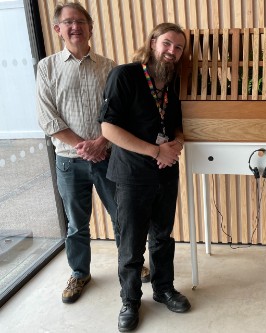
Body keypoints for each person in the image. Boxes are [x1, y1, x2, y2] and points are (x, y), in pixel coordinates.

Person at [36, 2, 150, 305]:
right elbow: (48, 118)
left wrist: (100, 142)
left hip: (110, 157)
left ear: (90, 28)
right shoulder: (46, 67)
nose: (75, 27)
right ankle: (79, 272)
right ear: (58, 29)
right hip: (68, 162)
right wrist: (82, 147)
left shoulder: (109, 66)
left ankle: (132, 264)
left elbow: (121, 113)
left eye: (81, 21)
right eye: (68, 22)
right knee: (76, 223)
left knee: (121, 217)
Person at [100, 22, 190, 331]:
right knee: (131, 243)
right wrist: (156, 151)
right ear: (152, 42)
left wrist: (176, 144)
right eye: (167, 43)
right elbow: (108, 128)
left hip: (166, 173)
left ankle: (164, 289)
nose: (172, 52)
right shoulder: (125, 75)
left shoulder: (173, 82)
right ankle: (130, 301)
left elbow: (177, 124)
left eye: (178, 47)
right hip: (132, 175)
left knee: (163, 236)